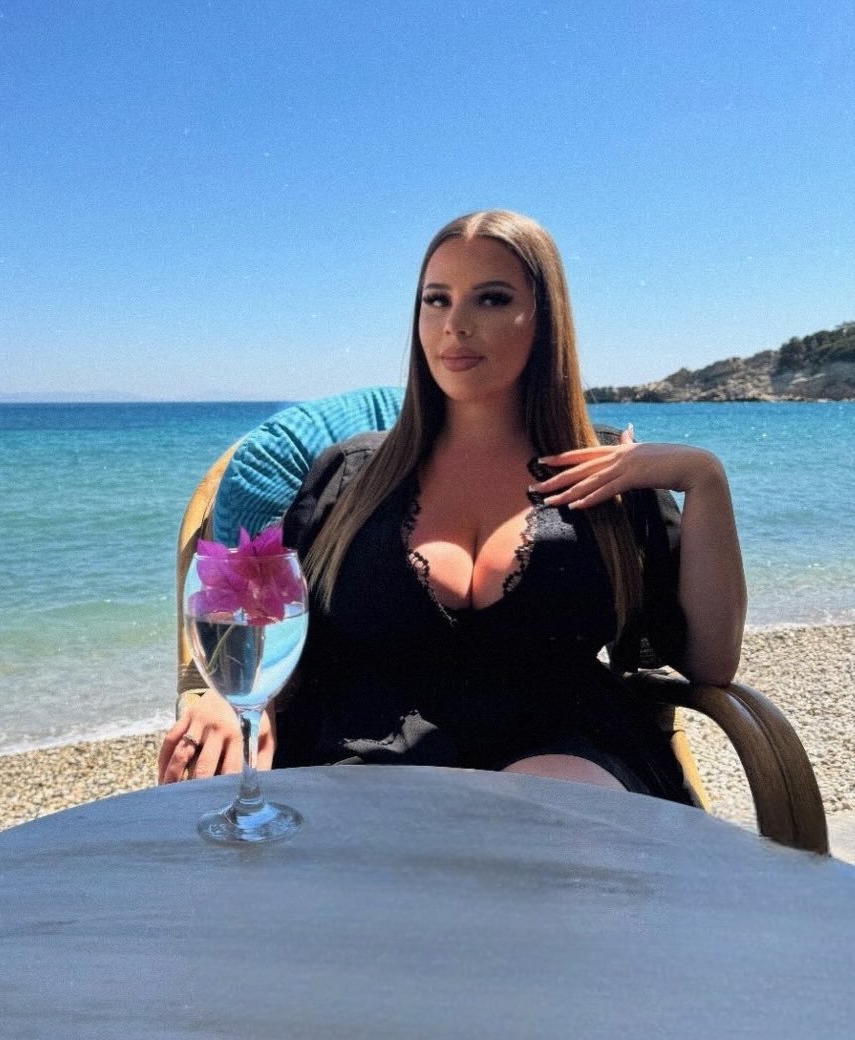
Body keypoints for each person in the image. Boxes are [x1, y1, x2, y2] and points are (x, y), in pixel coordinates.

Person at [159, 209, 746, 798]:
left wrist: (703, 479)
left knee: (553, 805)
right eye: (436, 300)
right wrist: (227, 694)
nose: (455, 325)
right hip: (365, 763)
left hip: (568, 752)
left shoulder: (610, 476)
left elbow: (709, 664)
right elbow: (261, 614)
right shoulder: (349, 478)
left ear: (546, 318)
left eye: (491, 299)